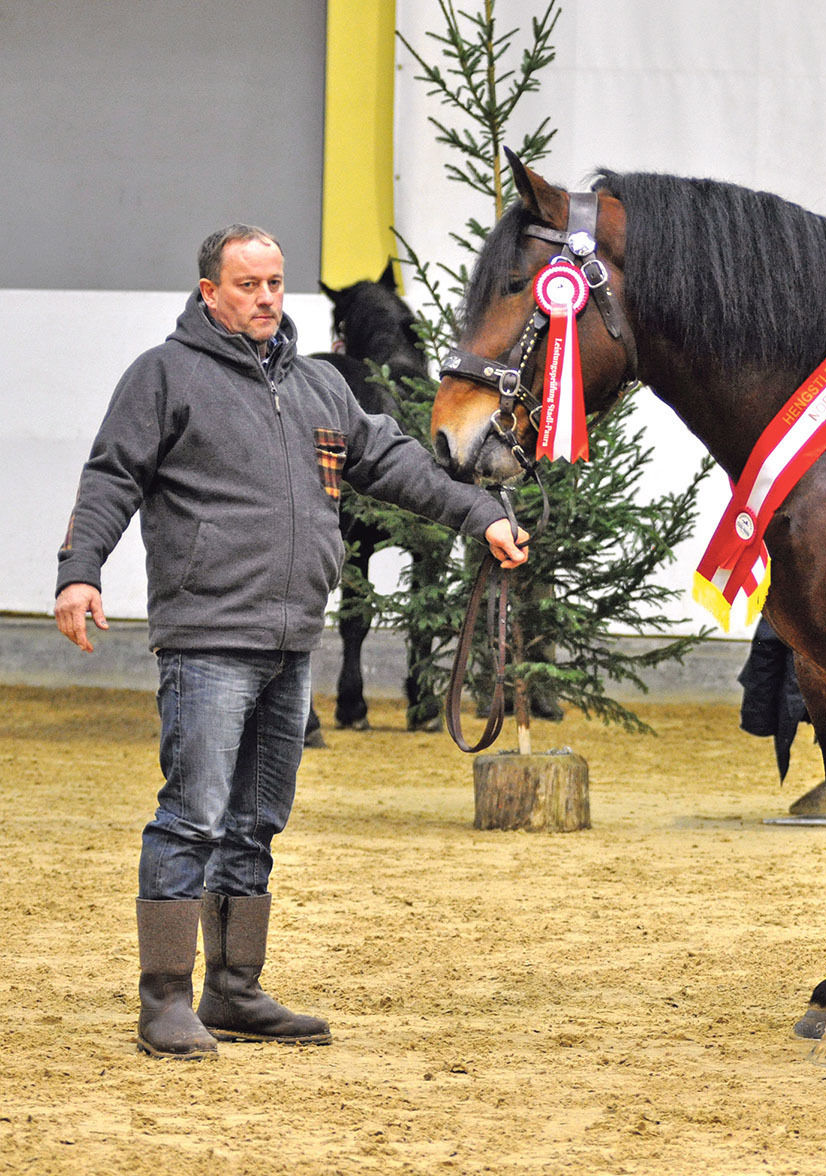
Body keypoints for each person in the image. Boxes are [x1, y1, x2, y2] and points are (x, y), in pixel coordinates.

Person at [54, 224, 528, 1060]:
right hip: (206, 637)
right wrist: (79, 571)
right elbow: (111, 475)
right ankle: (164, 998)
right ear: (210, 293)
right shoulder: (163, 376)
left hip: (289, 640)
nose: (265, 297)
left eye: (274, 283)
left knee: (257, 822)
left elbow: (398, 465)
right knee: (191, 816)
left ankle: (234, 988)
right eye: (247, 285)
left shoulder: (319, 388)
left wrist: (482, 514)